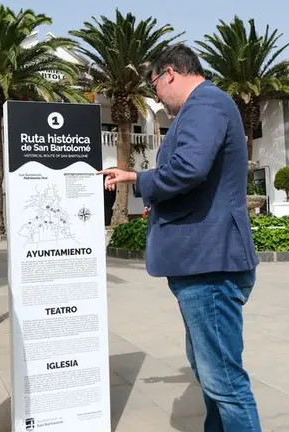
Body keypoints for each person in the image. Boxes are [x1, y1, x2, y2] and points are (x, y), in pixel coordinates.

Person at [99, 44, 261, 432]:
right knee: (212, 377)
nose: (155, 96)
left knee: (224, 382)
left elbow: (189, 168)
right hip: (205, 261)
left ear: (169, 73)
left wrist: (138, 179)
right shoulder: (209, 105)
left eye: (154, 85)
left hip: (209, 263)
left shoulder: (204, 105)